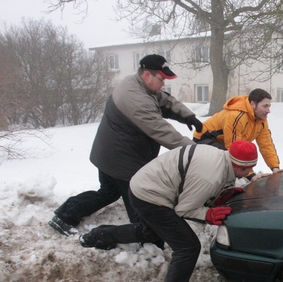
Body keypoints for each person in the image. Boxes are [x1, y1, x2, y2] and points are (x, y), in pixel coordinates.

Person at [78, 140, 259, 282]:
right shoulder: (210, 177)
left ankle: (98, 236)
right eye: (246, 169)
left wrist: (218, 195)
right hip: (150, 196)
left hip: (145, 185)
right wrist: (208, 214)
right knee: (187, 247)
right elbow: (184, 209)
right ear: (236, 163)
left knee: (150, 233)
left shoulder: (219, 158)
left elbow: (192, 185)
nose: (248, 173)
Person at [48, 54, 203, 236]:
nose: (163, 84)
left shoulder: (137, 84)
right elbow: (164, 133)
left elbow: (164, 100)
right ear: (147, 75)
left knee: (108, 192)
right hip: (122, 161)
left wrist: (187, 116)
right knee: (139, 201)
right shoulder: (136, 100)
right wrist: (199, 153)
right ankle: (139, 237)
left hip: (109, 154)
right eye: (161, 79)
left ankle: (65, 215)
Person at [192, 88, 283, 181]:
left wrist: (275, 167)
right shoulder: (236, 116)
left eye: (269, 106)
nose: (268, 110)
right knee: (227, 160)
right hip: (204, 139)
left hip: (223, 143)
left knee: (234, 161)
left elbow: (266, 144)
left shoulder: (261, 120)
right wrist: (251, 175)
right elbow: (233, 147)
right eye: (265, 106)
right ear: (253, 104)